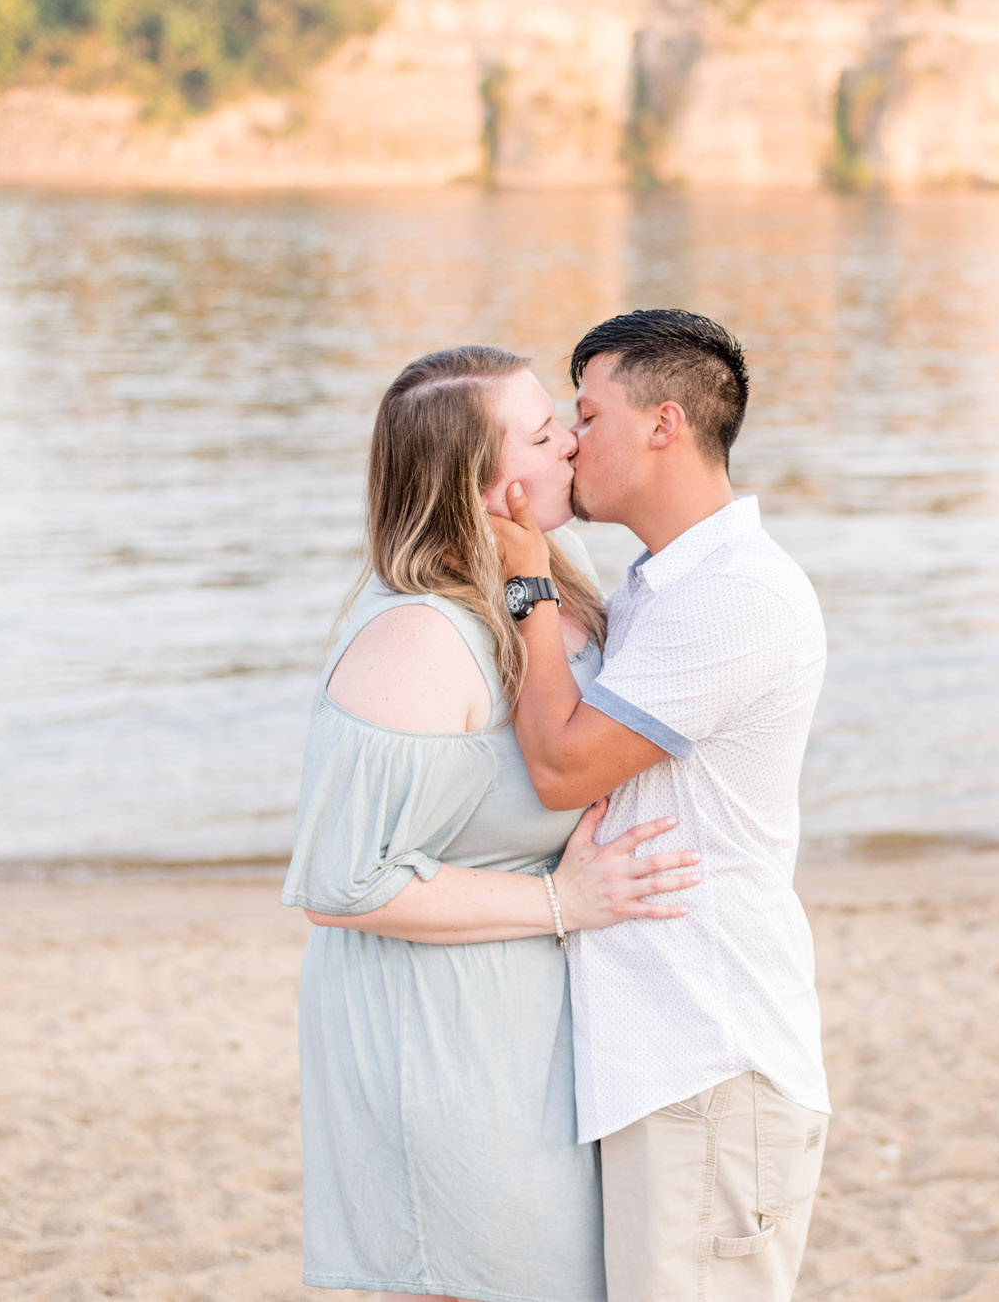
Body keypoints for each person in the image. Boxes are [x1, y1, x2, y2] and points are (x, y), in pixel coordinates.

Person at [278, 344, 699, 1302]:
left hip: (533, 1024)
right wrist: (562, 898)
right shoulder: (419, 639)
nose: (577, 442)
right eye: (551, 433)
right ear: (492, 485)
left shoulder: (550, 568)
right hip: (437, 1035)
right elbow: (345, 884)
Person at [491, 310, 831, 1302]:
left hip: (707, 1063)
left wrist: (526, 583)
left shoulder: (733, 597)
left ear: (662, 424)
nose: (566, 438)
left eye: (585, 413)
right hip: (660, 1061)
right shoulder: (660, 585)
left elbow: (562, 767)